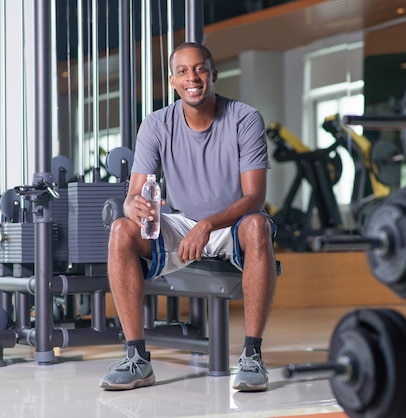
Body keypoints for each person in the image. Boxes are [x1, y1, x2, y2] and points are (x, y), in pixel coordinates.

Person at [99, 42, 277, 392]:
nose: (191, 77)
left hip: (231, 224)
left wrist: (209, 225)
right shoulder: (155, 125)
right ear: (172, 81)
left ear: (213, 74)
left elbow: (254, 198)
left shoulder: (244, 118)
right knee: (121, 230)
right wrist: (132, 206)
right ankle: (137, 359)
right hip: (180, 223)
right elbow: (133, 195)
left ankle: (253, 356)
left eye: (199, 69)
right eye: (182, 71)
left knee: (258, 225)